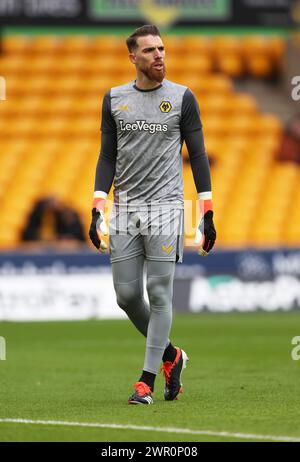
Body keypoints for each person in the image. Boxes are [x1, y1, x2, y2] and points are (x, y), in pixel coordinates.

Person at [89, 25, 216, 405]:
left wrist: (206, 211)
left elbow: (198, 155)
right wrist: (98, 204)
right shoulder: (114, 99)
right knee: (127, 296)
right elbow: (107, 156)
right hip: (126, 208)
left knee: (158, 293)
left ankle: (145, 381)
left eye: (162, 48)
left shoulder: (182, 98)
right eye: (149, 50)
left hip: (166, 208)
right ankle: (172, 356)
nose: (159, 55)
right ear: (133, 57)